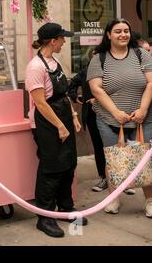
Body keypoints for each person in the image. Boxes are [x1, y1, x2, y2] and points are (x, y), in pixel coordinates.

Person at [25, 22, 87, 238]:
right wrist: (60, 125)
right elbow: (40, 103)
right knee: (51, 168)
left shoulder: (55, 61)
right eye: (62, 38)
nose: (64, 42)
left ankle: (66, 208)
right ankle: (45, 217)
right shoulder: (35, 67)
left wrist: (74, 116)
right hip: (47, 123)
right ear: (53, 41)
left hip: (63, 118)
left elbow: (62, 95)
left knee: (68, 164)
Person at [87, 18, 152, 217]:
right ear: (108, 35)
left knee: (145, 159)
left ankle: (149, 201)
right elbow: (96, 89)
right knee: (113, 160)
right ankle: (113, 198)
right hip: (109, 120)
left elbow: (151, 83)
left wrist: (142, 110)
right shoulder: (99, 59)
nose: (123, 34)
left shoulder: (141, 55)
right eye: (118, 31)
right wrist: (116, 113)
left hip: (143, 119)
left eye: (126, 30)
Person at [68, 56, 108, 192]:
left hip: (111, 113)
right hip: (92, 115)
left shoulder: (110, 71)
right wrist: (75, 97)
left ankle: (119, 179)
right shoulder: (85, 72)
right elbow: (71, 84)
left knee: (115, 146)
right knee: (98, 146)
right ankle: (103, 177)